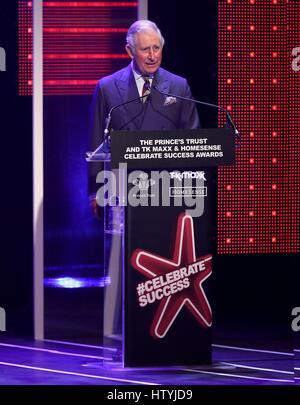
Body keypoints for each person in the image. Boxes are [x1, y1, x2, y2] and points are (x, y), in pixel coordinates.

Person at [89, 19, 200, 157]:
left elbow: (194, 145)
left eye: (156, 48)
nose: (152, 56)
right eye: (145, 49)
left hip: (167, 176)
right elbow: (96, 145)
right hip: (123, 175)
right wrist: (96, 178)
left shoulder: (179, 86)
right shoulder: (107, 88)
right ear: (130, 51)